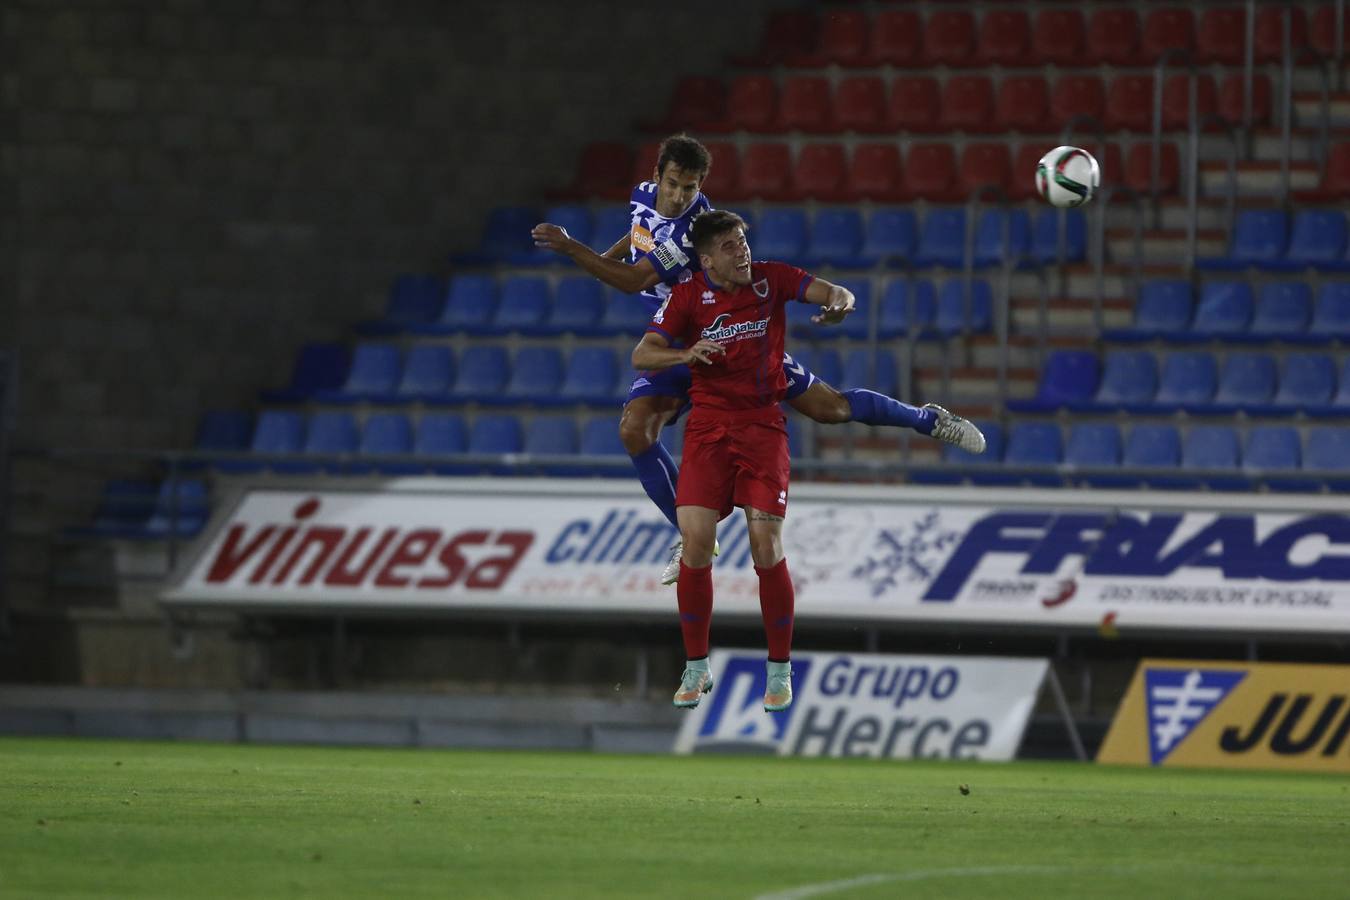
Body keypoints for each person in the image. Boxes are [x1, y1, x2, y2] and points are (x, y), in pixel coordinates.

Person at [532, 134, 984, 587]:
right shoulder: (643, 196)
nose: (677, 196)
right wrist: (608, 253)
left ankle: (928, 419)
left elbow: (633, 281)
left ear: (700, 186)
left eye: (689, 189)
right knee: (635, 428)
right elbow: (637, 239)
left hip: (731, 338)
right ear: (656, 176)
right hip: (682, 346)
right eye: (672, 184)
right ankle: (690, 537)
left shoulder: (693, 231)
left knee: (833, 409)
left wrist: (574, 248)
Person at [631, 209, 858, 712]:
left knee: (765, 545)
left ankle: (778, 671)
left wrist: (841, 302)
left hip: (761, 428)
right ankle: (696, 668)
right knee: (695, 543)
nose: (742, 252)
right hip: (708, 431)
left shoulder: (771, 280)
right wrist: (684, 355)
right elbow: (642, 355)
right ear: (706, 258)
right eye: (730, 246)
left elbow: (831, 291)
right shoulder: (689, 296)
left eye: (743, 242)